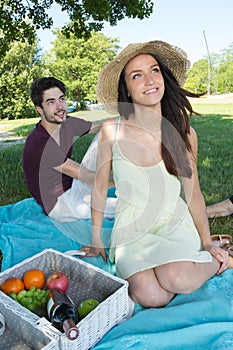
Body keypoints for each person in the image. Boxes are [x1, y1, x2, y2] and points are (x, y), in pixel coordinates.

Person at [82, 40, 233, 308]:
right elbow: (100, 187)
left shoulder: (184, 133)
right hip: (132, 231)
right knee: (151, 296)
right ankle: (178, 265)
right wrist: (96, 239)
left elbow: (193, 192)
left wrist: (207, 242)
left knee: (178, 278)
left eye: (154, 71)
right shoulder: (111, 130)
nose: (149, 80)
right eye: (136, 75)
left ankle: (219, 257)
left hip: (173, 221)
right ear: (126, 88)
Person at [23, 77, 116, 222]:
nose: (60, 107)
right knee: (123, 208)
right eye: (51, 102)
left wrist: (125, 122)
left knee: (110, 128)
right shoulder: (39, 144)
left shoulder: (67, 123)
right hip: (60, 204)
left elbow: (100, 127)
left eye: (61, 99)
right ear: (40, 109)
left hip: (74, 185)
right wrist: (123, 180)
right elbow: (86, 176)